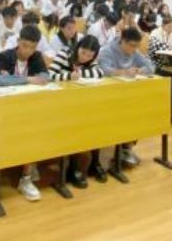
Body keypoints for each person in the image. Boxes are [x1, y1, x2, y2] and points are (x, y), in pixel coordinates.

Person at [0, 25, 50, 201]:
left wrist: (15, 79)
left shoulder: (37, 57)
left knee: (35, 130)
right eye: (25, 45)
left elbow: (45, 77)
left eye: (32, 47)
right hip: (5, 109)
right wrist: (28, 79)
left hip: (30, 108)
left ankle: (26, 177)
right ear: (18, 42)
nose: (28, 51)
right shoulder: (5, 56)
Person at [48, 35, 107, 185]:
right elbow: (50, 75)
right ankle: (72, 167)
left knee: (97, 121)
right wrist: (68, 76)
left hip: (82, 103)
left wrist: (79, 74)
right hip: (61, 103)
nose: (85, 57)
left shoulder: (91, 60)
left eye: (89, 55)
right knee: (75, 124)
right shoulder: (65, 53)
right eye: (83, 52)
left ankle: (95, 162)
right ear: (78, 47)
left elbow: (99, 73)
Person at [97, 27, 154, 166]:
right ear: (122, 41)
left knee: (139, 113)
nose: (134, 49)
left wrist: (138, 70)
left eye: (137, 46)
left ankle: (127, 147)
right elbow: (104, 70)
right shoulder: (107, 51)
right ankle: (121, 148)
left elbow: (150, 67)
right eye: (132, 45)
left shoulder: (135, 51)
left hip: (128, 94)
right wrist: (123, 72)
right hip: (108, 95)